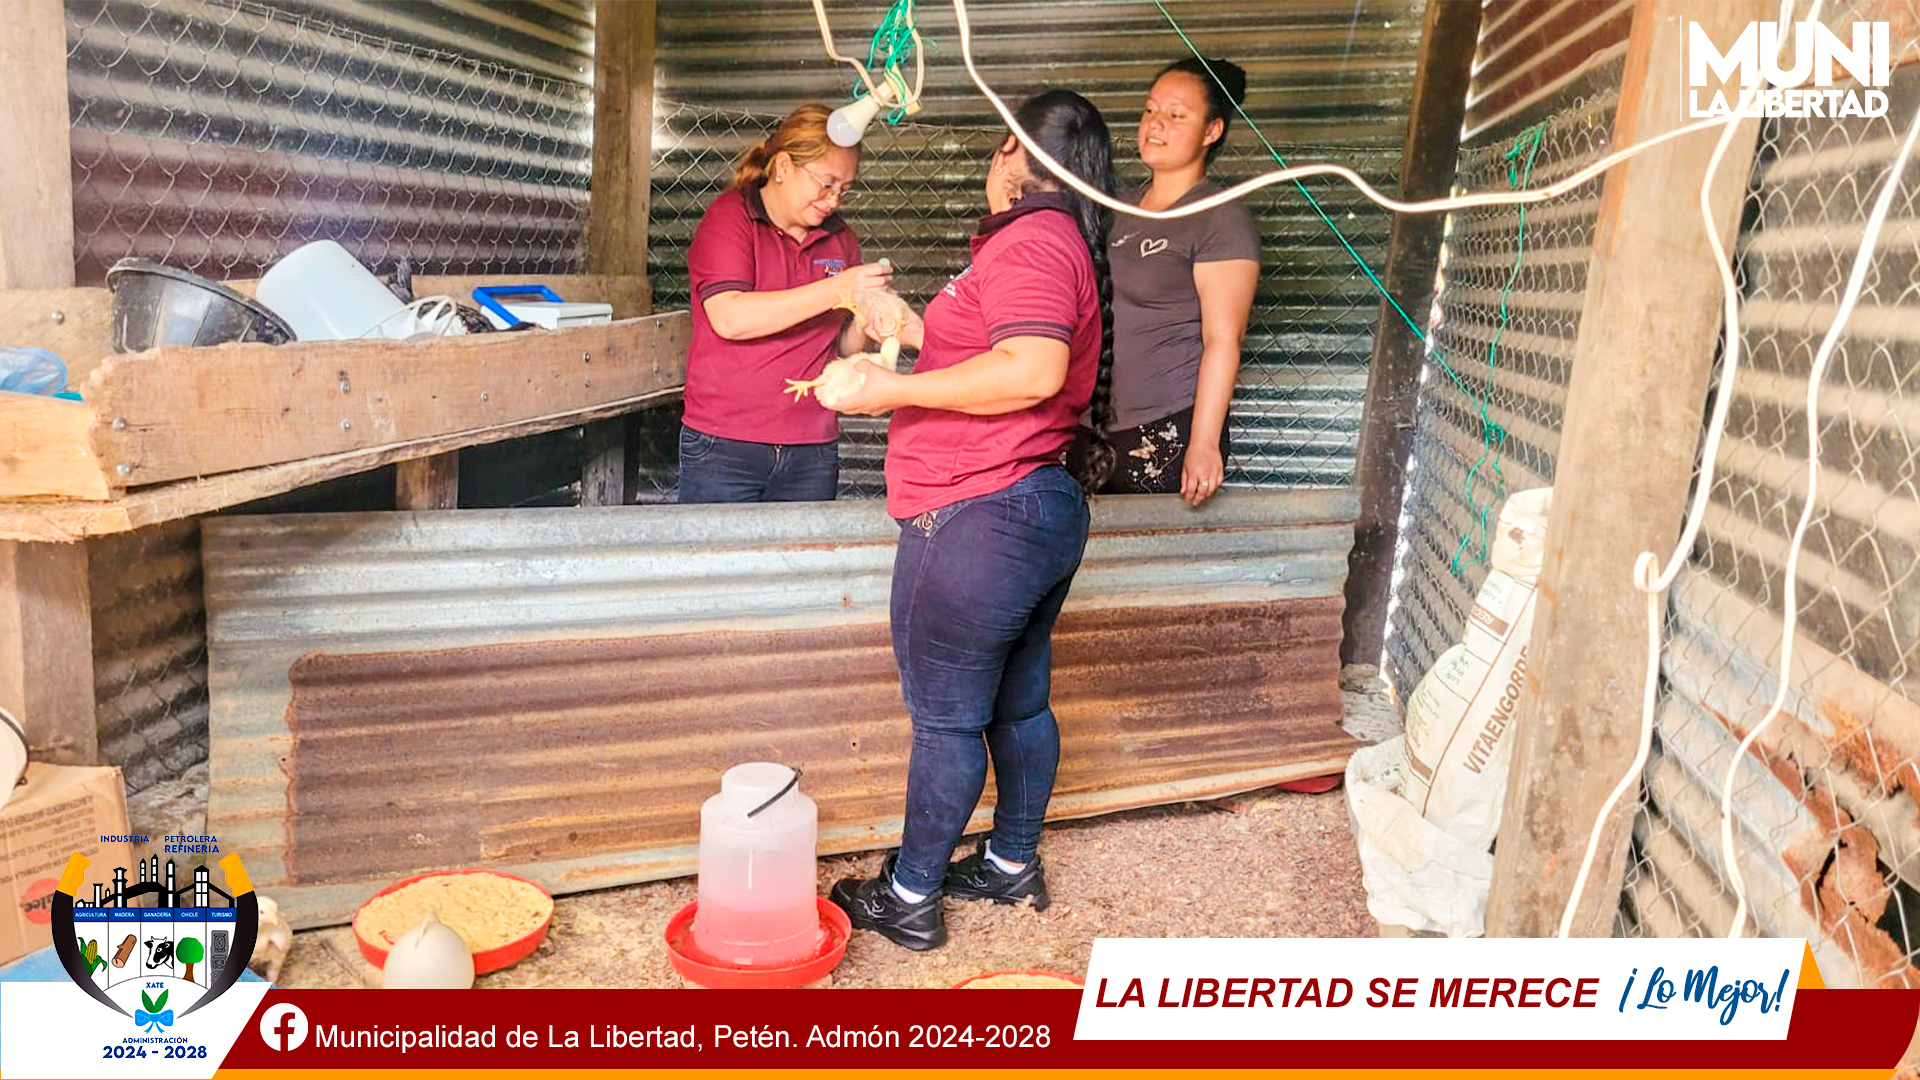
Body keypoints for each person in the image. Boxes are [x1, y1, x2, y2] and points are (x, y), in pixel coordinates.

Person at [819, 90, 1115, 951]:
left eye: (999, 145)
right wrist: (913, 329)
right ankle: (1011, 863)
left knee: (947, 719)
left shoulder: (1031, 240)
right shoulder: (1062, 241)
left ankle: (910, 894)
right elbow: (1001, 354)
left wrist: (892, 388)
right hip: (1034, 505)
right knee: (1018, 704)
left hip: (977, 510)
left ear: (1015, 155)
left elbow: (1031, 370)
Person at [679, 104, 896, 502]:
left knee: (804, 546)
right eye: (826, 183)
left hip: (811, 446)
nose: (833, 200)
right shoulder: (731, 219)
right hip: (726, 445)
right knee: (715, 546)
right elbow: (730, 318)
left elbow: (839, 347)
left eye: (845, 189)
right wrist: (839, 287)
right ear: (783, 166)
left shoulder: (840, 239)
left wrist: (864, 325)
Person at [1105, 58, 1260, 505]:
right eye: (1150, 110)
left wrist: (1204, 443)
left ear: (1211, 131)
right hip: (1092, 427)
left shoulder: (1220, 218)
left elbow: (1222, 339)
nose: (1155, 124)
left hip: (1164, 429)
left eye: (1176, 115)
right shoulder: (1115, 206)